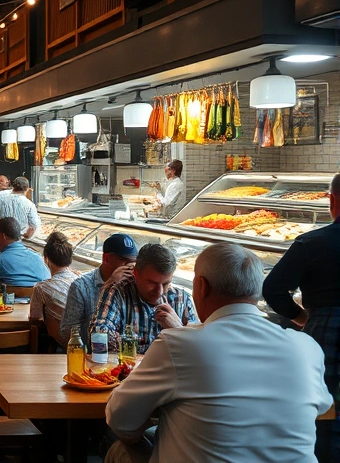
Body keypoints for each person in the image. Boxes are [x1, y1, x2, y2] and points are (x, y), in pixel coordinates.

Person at [105, 243, 332, 463]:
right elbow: (322, 407)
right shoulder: (307, 347)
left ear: (202, 286)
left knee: (120, 449)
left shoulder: (178, 345)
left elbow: (120, 418)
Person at [263, 172, 340, 459]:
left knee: (323, 412)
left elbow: (272, 289)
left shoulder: (312, 242)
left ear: (331, 201)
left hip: (325, 331)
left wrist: (304, 318)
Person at [91, 243, 198, 355]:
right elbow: (98, 335)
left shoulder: (182, 300)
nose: (159, 291)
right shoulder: (119, 293)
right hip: (129, 371)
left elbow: (200, 350)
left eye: (166, 284)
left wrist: (177, 330)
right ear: (136, 273)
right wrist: (177, 340)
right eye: (152, 283)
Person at [60, 233, 137, 351]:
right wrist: (108, 287)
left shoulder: (134, 286)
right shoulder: (80, 287)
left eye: (134, 261)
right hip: (93, 358)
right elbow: (67, 333)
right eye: (125, 261)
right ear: (106, 259)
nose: (131, 266)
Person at [28, 232, 79, 348]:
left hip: (61, 346)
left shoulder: (41, 288)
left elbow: (34, 319)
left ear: (46, 259)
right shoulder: (81, 280)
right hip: (84, 342)